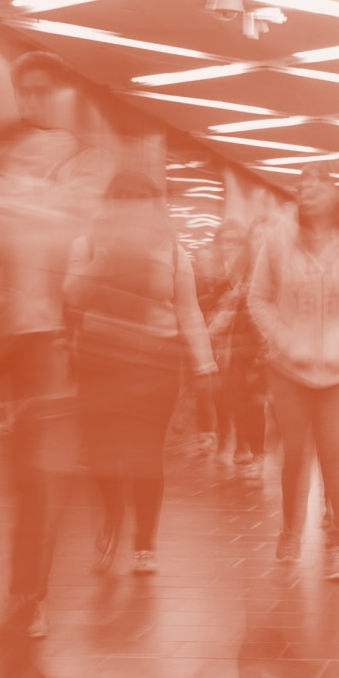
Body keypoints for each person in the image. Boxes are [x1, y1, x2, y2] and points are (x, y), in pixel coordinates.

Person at [0, 50, 113, 643]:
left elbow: (84, 240)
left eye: (44, 92)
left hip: (48, 335)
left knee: (38, 473)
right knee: (12, 474)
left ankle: (28, 594)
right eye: (24, 91)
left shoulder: (82, 162)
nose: (32, 102)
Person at [248, 165, 339, 580]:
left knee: (337, 453)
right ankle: (290, 529)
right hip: (288, 366)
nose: (308, 190)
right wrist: (285, 339)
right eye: (303, 183)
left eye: (321, 182)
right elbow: (259, 298)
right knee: (294, 453)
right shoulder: (279, 241)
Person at [65, 171, 217, 574]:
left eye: (143, 199)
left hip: (155, 361)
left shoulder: (172, 251)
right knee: (101, 452)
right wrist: (102, 262)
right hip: (100, 361)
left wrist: (204, 363)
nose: (133, 206)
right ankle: (112, 516)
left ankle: (145, 542)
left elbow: (187, 308)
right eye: (125, 198)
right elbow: (71, 296)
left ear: (155, 206)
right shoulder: (88, 244)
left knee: (146, 453)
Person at [204, 220, 266, 479]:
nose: (230, 246)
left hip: (253, 341)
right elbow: (209, 300)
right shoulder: (222, 270)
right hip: (227, 341)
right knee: (230, 394)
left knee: (249, 396)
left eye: (235, 241)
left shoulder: (258, 269)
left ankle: (251, 446)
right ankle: (237, 441)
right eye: (225, 241)